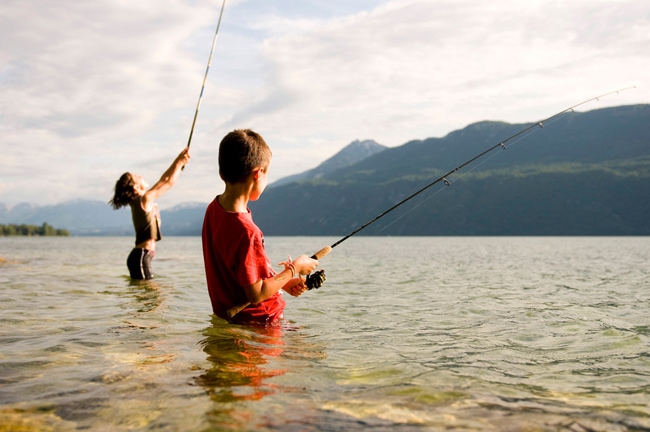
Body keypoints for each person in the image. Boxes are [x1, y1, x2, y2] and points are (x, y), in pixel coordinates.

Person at [202, 129, 318, 325]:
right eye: (268, 174)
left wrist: (285, 283)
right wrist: (294, 268)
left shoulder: (214, 210)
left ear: (222, 173)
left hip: (233, 320)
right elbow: (256, 294)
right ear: (258, 174)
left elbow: (241, 274)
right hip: (263, 323)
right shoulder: (247, 231)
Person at [109, 147, 191, 279]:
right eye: (137, 177)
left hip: (141, 256)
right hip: (141, 256)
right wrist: (180, 163)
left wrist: (179, 160)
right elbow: (168, 183)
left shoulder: (143, 199)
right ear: (135, 187)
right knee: (152, 297)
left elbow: (164, 179)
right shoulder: (144, 199)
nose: (141, 176)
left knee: (150, 297)